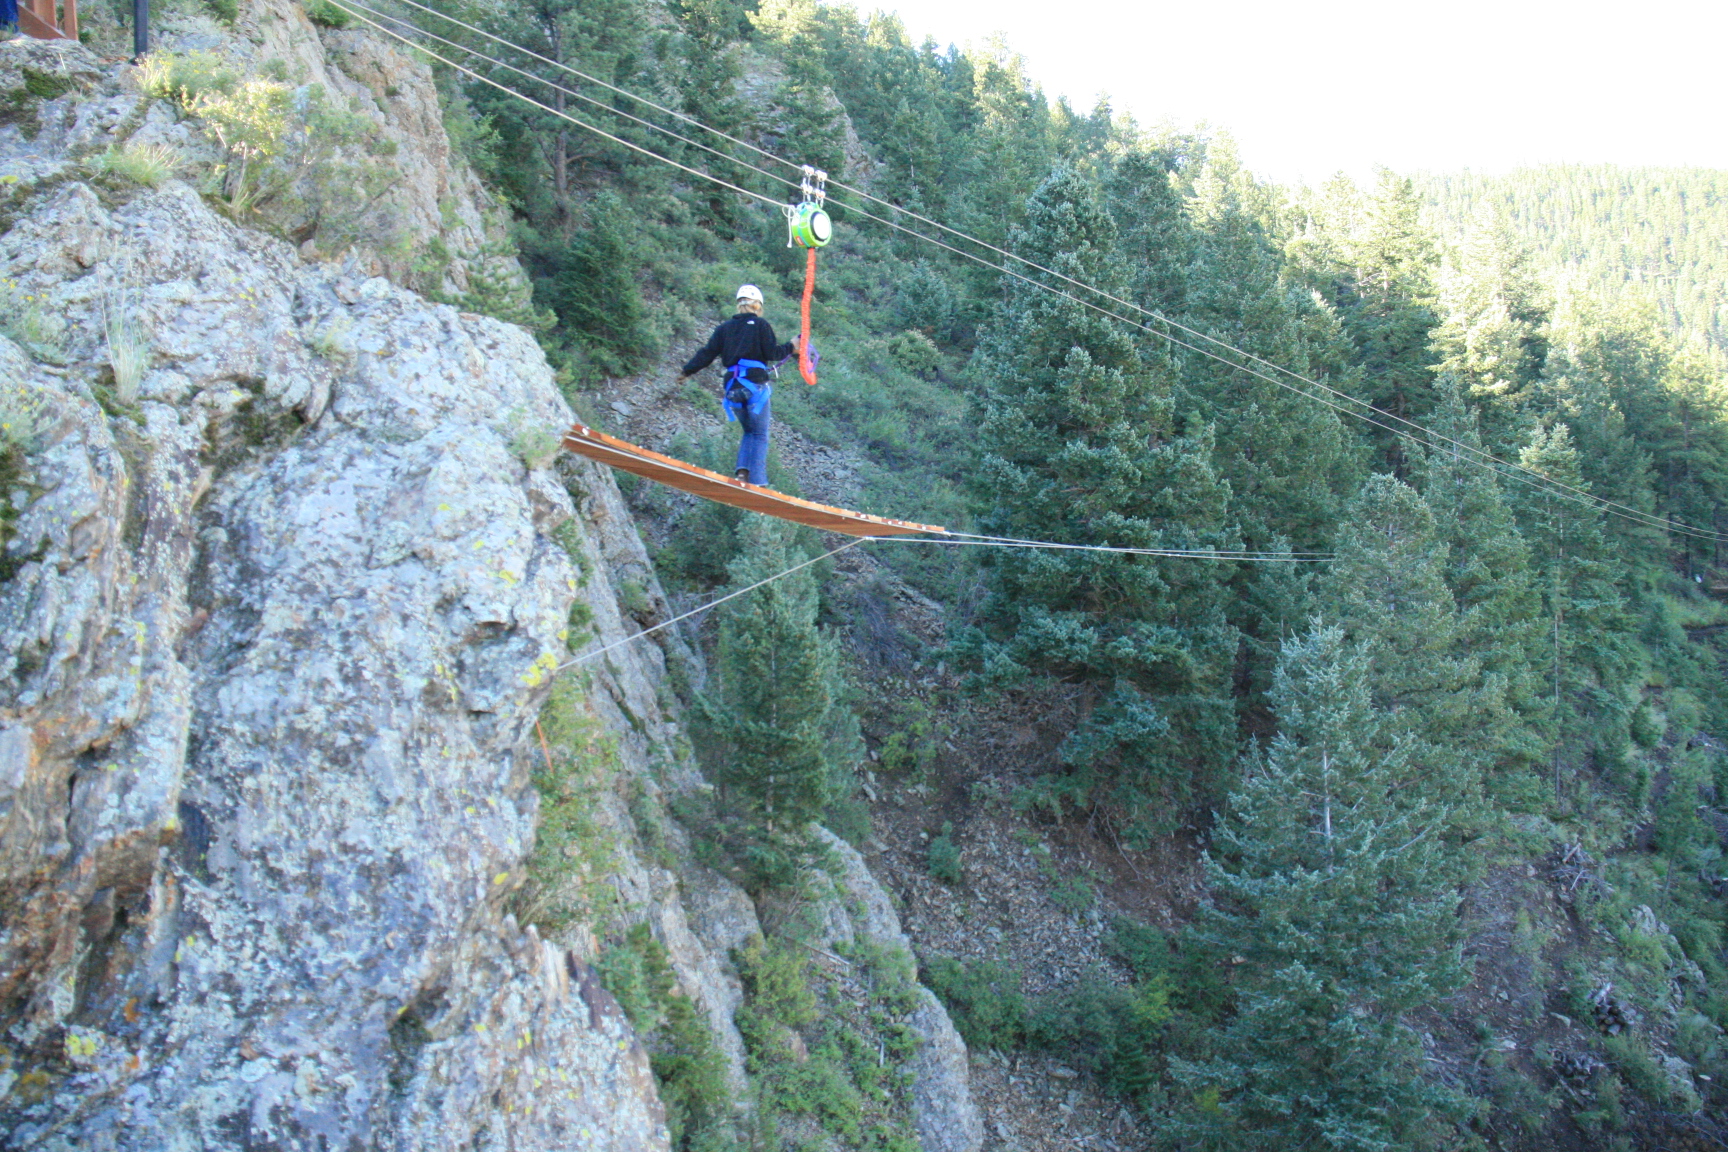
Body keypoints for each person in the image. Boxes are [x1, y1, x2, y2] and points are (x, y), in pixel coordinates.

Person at [677, 284, 798, 486]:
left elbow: (706, 354)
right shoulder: (760, 325)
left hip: (732, 389)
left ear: (739, 304)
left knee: (749, 432)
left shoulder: (723, 329)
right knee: (759, 434)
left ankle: (742, 474)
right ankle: (758, 482)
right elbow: (772, 353)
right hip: (754, 385)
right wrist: (791, 347)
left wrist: (686, 371)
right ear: (757, 306)